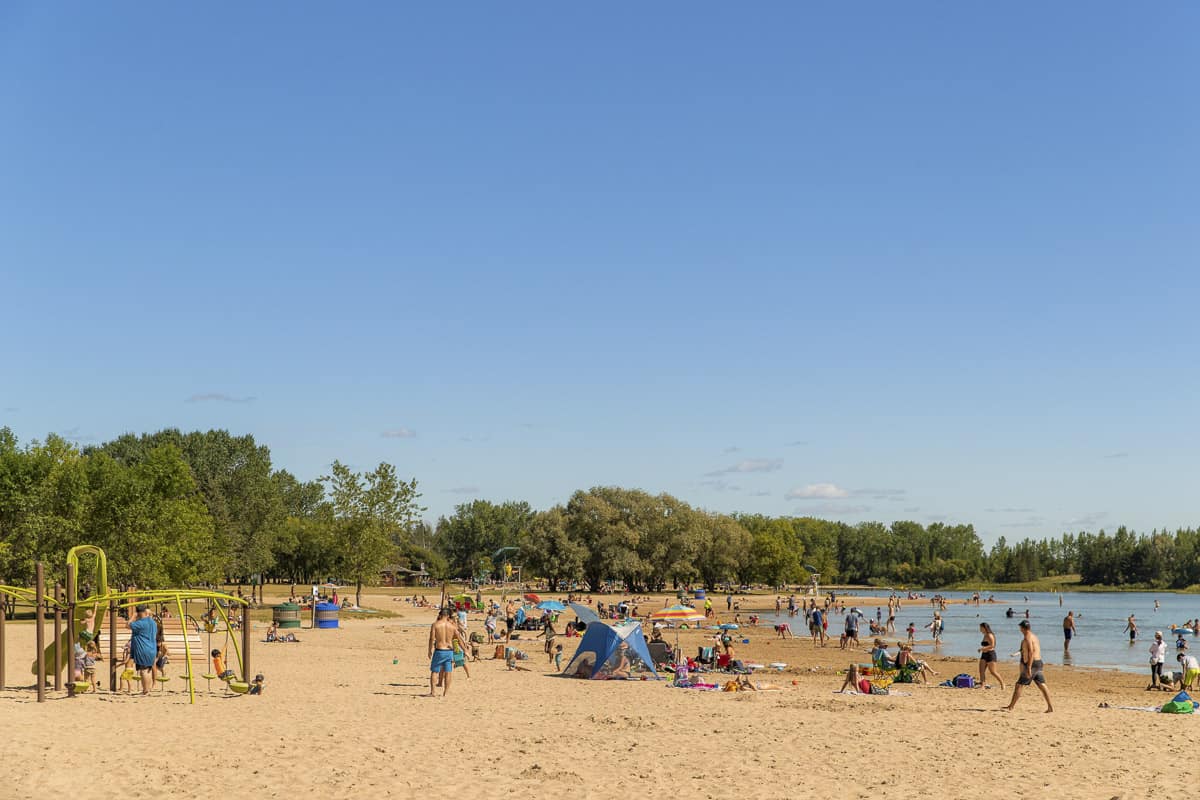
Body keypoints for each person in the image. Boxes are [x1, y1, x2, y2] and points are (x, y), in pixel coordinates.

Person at [1004, 620, 1052, 713]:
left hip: (1032, 664)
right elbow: (1026, 649)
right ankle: (1050, 707)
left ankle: (1011, 706)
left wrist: (1029, 667)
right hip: (1038, 662)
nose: (1020, 629)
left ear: (1023, 628)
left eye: (1020, 628)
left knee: (1019, 685)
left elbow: (1031, 652)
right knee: (1041, 685)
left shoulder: (1027, 637)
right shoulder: (1034, 636)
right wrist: (1017, 653)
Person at [428, 608, 469, 697]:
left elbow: (431, 638)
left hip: (439, 650)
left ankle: (433, 692)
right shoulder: (452, 626)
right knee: (448, 672)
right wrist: (465, 650)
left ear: (440, 614)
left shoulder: (435, 625)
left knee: (434, 671)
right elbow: (459, 639)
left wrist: (429, 650)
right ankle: (445, 692)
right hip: (449, 651)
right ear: (448, 616)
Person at [128, 604, 158, 696]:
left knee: (143, 671)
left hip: (143, 649)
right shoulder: (152, 622)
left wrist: (133, 616)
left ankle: (145, 690)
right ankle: (147, 690)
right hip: (152, 648)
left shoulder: (140, 623)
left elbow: (128, 625)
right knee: (148, 670)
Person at [977, 622, 1005, 689]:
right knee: (981, 671)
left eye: (980, 628)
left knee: (993, 672)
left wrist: (982, 648)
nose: (980, 629)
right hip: (984, 654)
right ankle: (982, 685)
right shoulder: (985, 635)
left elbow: (993, 645)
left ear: (984, 628)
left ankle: (1002, 683)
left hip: (990, 654)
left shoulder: (990, 635)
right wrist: (983, 650)